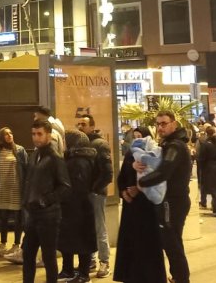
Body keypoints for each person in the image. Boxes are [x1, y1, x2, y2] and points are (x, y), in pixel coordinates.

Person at [136, 111, 191, 283]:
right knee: (173, 242)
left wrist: (142, 183)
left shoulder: (175, 146)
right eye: (158, 124)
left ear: (174, 124)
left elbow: (164, 171)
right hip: (171, 200)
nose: (160, 127)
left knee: (172, 245)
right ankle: (179, 277)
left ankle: (181, 278)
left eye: (164, 123)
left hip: (172, 201)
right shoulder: (169, 144)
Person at [20, 119, 71, 283]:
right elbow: (29, 181)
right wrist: (27, 202)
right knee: (27, 255)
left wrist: (45, 200)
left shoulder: (55, 158)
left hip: (48, 216)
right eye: (34, 134)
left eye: (39, 134)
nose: (36, 137)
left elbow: (65, 186)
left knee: (49, 258)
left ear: (48, 135)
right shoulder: (35, 155)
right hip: (33, 214)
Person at [114, 125, 165, 282]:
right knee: (130, 243)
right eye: (135, 135)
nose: (137, 138)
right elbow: (122, 177)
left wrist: (138, 188)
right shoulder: (131, 154)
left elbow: (156, 178)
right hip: (131, 207)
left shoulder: (154, 153)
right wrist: (124, 192)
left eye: (140, 135)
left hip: (147, 206)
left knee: (147, 245)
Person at [77, 114, 113, 278]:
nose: (80, 126)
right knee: (86, 227)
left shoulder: (100, 144)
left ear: (92, 126)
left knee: (99, 227)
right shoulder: (81, 144)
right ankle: (90, 259)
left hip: (96, 193)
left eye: (83, 124)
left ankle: (104, 262)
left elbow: (108, 173)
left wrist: (95, 188)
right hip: (85, 193)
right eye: (79, 124)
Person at [59, 129, 97, 283]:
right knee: (73, 240)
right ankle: (70, 271)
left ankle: (83, 274)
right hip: (76, 206)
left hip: (77, 207)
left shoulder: (78, 161)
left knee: (82, 242)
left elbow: (77, 185)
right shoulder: (77, 159)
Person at [0, 126, 27, 260]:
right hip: (2, 188)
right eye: (6, 134)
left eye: (11, 133)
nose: (9, 136)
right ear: (1, 137)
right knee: (3, 219)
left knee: (18, 219)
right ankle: (3, 244)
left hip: (16, 188)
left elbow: (26, 168)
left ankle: (16, 244)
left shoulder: (19, 150)